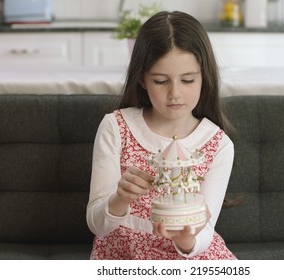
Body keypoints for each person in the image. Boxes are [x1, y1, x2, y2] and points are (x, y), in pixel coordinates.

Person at [86, 10, 236, 260]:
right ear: (143, 79)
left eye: (187, 80)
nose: (174, 93)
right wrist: (120, 199)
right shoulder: (116, 127)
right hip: (124, 255)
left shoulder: (218, 144)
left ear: (204, 78)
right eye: (160, 81)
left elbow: (204, 233)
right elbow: (97, 224)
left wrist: (185, 238)